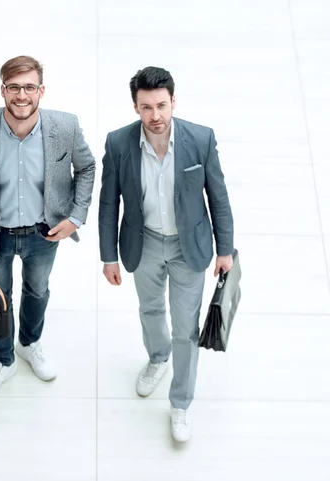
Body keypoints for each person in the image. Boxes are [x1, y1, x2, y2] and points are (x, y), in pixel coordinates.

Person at [98, 66, 234, 442]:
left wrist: (226, 249)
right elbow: (109, 203)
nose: (155, 116)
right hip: (143, 243)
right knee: (150, 308)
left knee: (186, 329)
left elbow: (217, 197)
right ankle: (157, 357)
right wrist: (108, 256)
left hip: (187, 246)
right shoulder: (118, 143)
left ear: (173, 101)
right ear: (135, 107)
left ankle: (181, 402)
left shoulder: (200, 139)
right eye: (146, 108)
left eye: (161, 105)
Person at [0, 55, 96, 402]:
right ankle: (3, 361)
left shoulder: (65, 127)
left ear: (41, 91)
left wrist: (75, 217)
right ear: (2, 90)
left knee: (37, 291)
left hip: (43, 233)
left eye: (29, 87)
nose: (22, 95)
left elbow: (88, 168)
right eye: (14, 87)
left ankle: (30, 344)